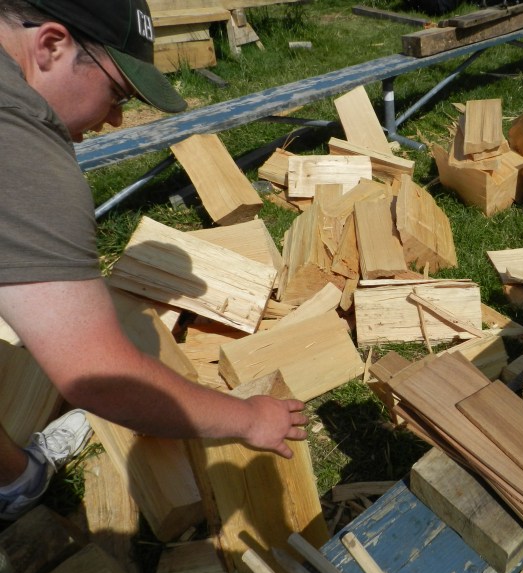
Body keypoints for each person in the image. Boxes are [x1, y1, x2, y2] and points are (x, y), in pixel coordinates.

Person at [0, 0, 308, 523]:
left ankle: (15, 481)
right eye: (117, 92)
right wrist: (250, 419)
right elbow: (97, 375)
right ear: (52, 45)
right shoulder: (21, 145)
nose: (116, 118)